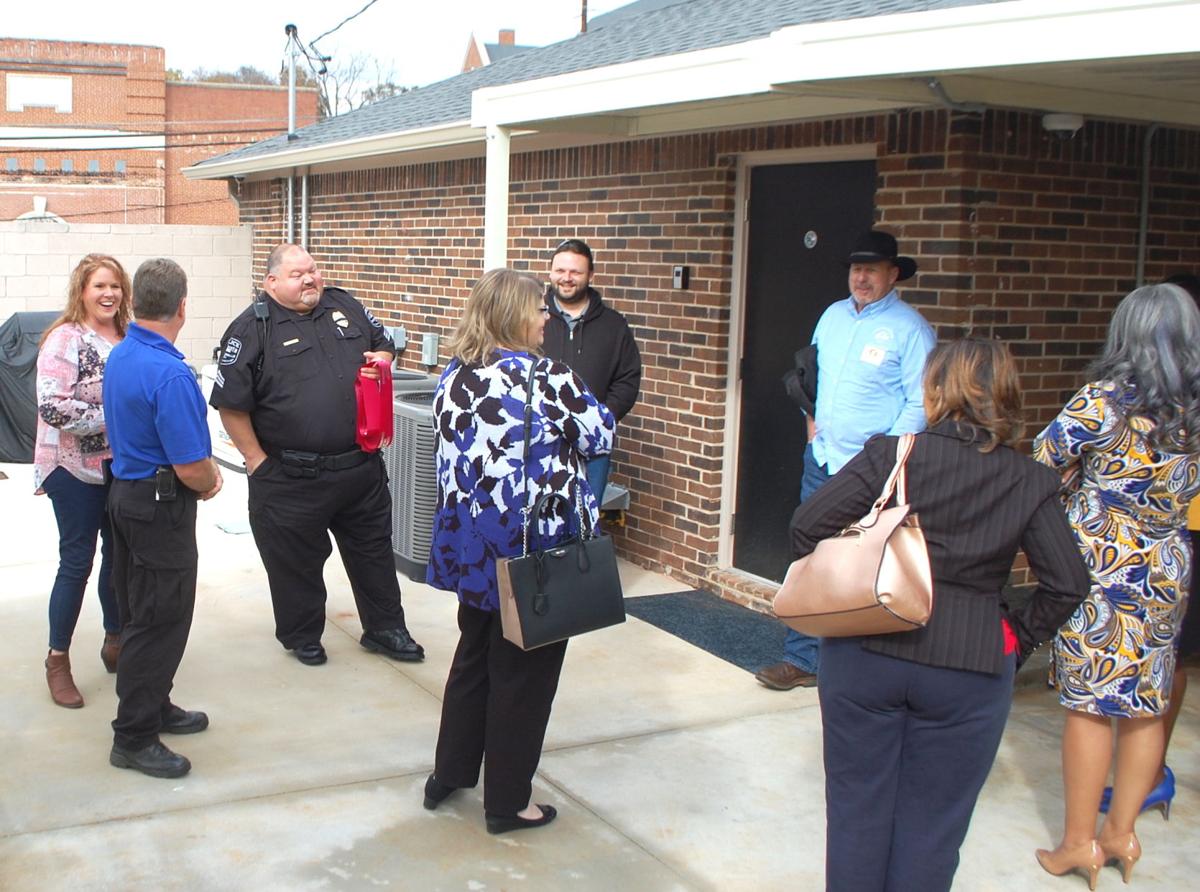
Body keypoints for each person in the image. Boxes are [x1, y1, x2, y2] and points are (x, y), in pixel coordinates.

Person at [790, 338, 1089, 891]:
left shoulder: (894, 454)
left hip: (867, 649)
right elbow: (1068, 583)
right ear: (1006, 395)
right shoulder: (1029, 479)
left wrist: (866, 567)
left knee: (857, 815)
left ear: (934, 390)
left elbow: (806, 526)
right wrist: (1015, 641)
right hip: (971, 663)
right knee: (934, 827)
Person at [424, 268, 614, 834]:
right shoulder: (550, 377)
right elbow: (601, 434)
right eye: (538, 308)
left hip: (473, 548)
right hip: (534, 556)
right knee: (523, 676)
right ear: (512, 315)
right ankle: (508, 802)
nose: (546, 316)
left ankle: (450, 775)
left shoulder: (453, 376)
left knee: (473, 659)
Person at [1033, 283, 1200, 887]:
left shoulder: (1101, 403)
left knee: (1090, 704)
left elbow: (1039, 464)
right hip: (1166, 564)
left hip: (1102, 568)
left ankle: (1078, 844)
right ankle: (1122, 833)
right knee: (1147, 700)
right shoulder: (1195, 410)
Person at [209, 244, 423, 667]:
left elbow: (384, 344)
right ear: (271, 282)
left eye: (313, 271)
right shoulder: (251, 329)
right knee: (295, 564)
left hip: (359, 466)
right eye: (297, 274)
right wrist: (255, 460)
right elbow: (231, 404)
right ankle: (303, 636)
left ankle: (385, 628)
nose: (310, 280)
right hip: (291, 476)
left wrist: (382, 358)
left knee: (374, 552)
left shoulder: (344, 303)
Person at [757, 230, 935, 690]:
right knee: (811, 555)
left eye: (871, 269)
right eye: (856, 269)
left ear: (893, 275)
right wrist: (809, 420)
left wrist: (886, 454)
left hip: (872, 468)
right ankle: (802, 657)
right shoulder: (832, 316)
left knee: (867, 561)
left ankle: (864, 664)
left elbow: (920, 403)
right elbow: (808, 374)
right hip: (822, 458)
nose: (861, 277)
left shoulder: (911, 329)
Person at [102, 258, 222, 779]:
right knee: (160, 620)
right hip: (158, 508)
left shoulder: (123, 353)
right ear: (181, 306)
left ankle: (153, 705)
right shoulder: (170, 373)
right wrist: (212, 480)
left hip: (127, 497)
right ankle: (133, 737)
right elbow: (192, 464)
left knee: (139, 611)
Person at [34, 254, 131, 708]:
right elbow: (53, 406)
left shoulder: (129, 336)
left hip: (120, 467)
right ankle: (58, 660)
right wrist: (117, 418)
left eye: (115, 286)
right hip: (71, 469)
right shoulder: (65, 338)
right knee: (77, 561)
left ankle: (116, 642)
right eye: (99, 286)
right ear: (82, 291)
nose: (108, 294)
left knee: (119, 555)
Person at [543, 238, 640, 504]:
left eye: (575, 272)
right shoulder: (533, 319)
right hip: (539, 443)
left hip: (593, 449)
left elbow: (628, 379)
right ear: (550, 272)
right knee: (537, 527)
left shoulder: (614, 325)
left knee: (585, 524)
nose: (567, 278)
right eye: (560, 271)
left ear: (591, 275)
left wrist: (603, 418)